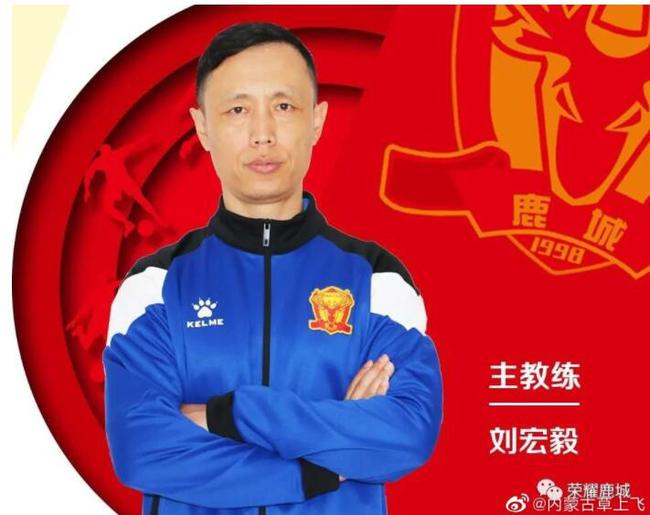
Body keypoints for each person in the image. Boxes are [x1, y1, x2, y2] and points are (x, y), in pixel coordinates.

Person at [103, 21, 443, 515]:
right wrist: (320, 467)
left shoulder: (378, 280)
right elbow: (143, 450)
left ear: (317, 121)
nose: (262, 134)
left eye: (284, 107)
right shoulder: (153, 287)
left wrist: (226, 415)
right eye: (238, 110)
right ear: (202, 127)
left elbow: (408, 433)